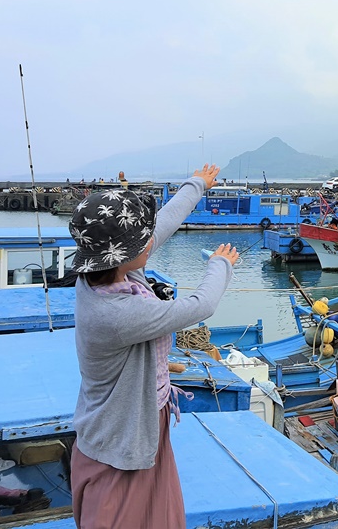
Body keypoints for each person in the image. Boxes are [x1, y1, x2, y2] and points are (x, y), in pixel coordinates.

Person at [70, 164, 238, 529]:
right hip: (121, 441)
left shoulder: (110, 275)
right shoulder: (118, 312)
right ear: (120, 254)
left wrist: (197, 185)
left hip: (140, 423)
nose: (151, 242)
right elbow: (200, 307)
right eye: (141, 241)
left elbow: (160, 225)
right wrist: (220, 265)